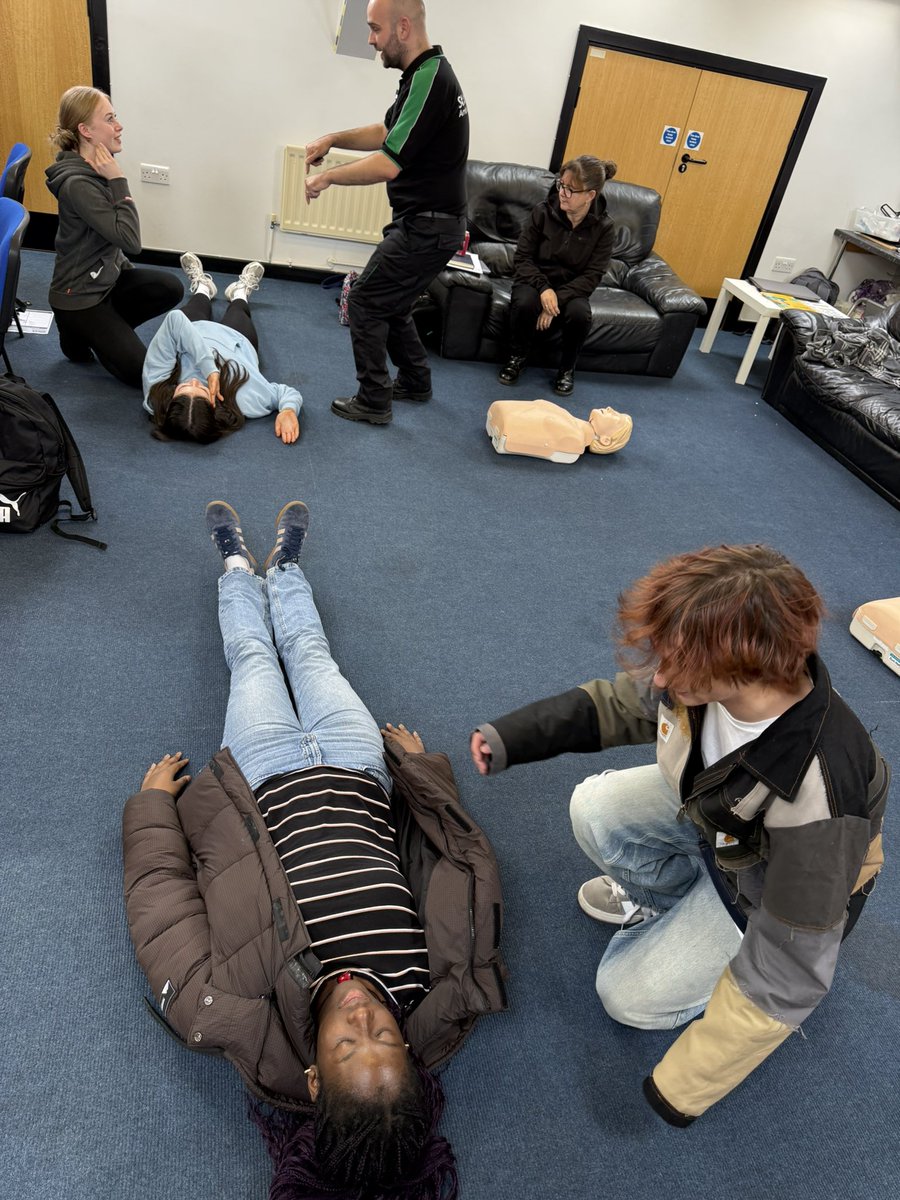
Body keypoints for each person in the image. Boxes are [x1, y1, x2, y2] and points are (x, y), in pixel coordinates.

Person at [123, 501, 506, 1197]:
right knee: (310, 653)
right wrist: (421, 775)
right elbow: (456, 863)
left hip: (266, 772)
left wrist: (151, 809)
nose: (365, 1020)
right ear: (413, 1062)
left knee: (250, 658)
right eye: (386, 1042)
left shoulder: (232, 1008)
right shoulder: (442, 985)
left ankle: (237, 565)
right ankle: (288, 568)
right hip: (357, 766)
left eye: (346, 1046)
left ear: (312, 1076)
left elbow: (160, 906)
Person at [471, 544, 889, 1127]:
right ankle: (671, 905)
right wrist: (515, 735)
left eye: (675, 665)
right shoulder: (712, 674)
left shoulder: (819, 798)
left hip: (771, 901)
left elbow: (789, 971)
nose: (660, 677)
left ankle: (709, 944)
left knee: (623, 996)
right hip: (721, 817)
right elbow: (620, 703)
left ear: (749, 667)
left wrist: (685, 1085)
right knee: (595, 806)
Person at [305, 0, 469, 425]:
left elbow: (388, 161)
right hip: (430, 224)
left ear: (402, 27)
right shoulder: (421, 75)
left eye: (375, 29)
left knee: (364, 301)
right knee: (391, 302)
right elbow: (387, 132)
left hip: (428, 227)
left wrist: (328, 178)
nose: (372, 40)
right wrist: (333, 139)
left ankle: (374, 399)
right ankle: (415, 381)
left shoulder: (432, 79)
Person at [45, 86, 183, 386]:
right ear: (85, 130)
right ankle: (77, 332)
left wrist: (125, 278)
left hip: (104, 282)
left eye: (115, 117)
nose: (118, 126)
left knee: (169, 287)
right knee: (142, 375)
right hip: (79, 298)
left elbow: (114, 245)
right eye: (109, 119)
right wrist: (119, 180)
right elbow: (130, 241)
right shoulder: (80, 184)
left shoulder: (94, 168)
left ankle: (100, 331)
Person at [143, 254, 302, 445]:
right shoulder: (247, 400)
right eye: (201, 389)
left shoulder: (156, 393)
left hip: (193, 329)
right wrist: (288, 410)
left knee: (197, 303)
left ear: (170, 402)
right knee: (238, 310)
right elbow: (284, 393)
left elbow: (175, 320)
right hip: (235, 339)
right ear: (213, 405)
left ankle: (203, 288)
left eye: (184, 387)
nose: (194, 381)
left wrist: (210, 369)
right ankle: (240, 292)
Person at [498, 155, 617, 396]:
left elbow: (592, 275)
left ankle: (566, 370)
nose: (563, 193)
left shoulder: (604, 228)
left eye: (572, 190)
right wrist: (544, 289)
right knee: (524, 302)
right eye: (561, 185)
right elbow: (522, 258)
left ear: (590, 195)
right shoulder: (542, 212)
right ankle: (517, 357)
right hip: (534, 279)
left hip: (572, 288)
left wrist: (555, 301)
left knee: (580, 314)